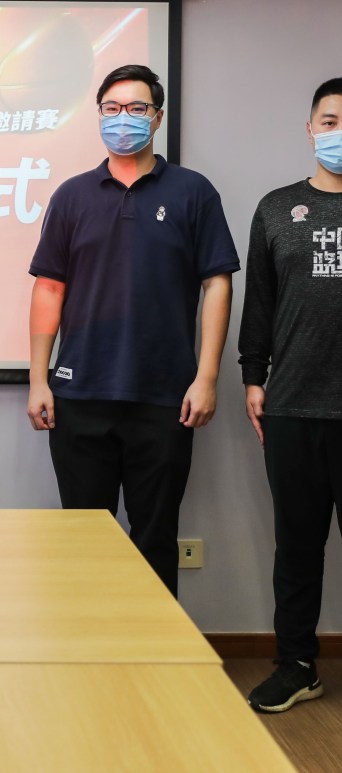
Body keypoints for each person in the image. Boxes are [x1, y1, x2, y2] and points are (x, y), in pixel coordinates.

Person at [26, 64, 239, 597]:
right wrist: (38, 380)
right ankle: (87, 645)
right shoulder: (72, 196)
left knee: (155, 540)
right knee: (83, 541)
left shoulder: (193, 192)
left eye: (137, 108)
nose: (124, 118)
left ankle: (156, 648)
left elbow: (217, 284)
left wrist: (206, 378)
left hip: (165, 399)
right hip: (80, 396)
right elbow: (49, 289)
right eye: (112, 108)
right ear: (99, 115)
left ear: (158, 117)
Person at [239, 77, 342, 713]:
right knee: (298, 548)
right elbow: (261, 302)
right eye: (330, 121)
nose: (339, 132)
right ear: (310, 129)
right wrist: (254, 375)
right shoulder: (278, 208)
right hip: (294, 404)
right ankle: (297, 664)